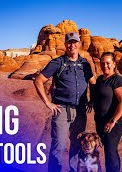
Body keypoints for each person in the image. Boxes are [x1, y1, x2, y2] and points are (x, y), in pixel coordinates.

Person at [34, 32, 94, 172]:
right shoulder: (58, 62)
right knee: (58, 146)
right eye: (69, 42)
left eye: (75, 42)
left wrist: (92, 100)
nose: (72, 45)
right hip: (62, 110)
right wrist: (48, 103)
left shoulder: (85, 64)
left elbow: (93, 82)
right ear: (65, 44)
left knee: (76, 145)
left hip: (80, 111)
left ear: (79, 44)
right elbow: (38, 81)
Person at [93, 52, 122, 172]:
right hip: (101, 121)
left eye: (108, 63)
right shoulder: (99, 79)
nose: (105, 66)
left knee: (110, 150)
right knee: (109, 150)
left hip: (113, 122)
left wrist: (112, 121)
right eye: (102, 63)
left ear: (114, 64)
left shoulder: (117, 80)